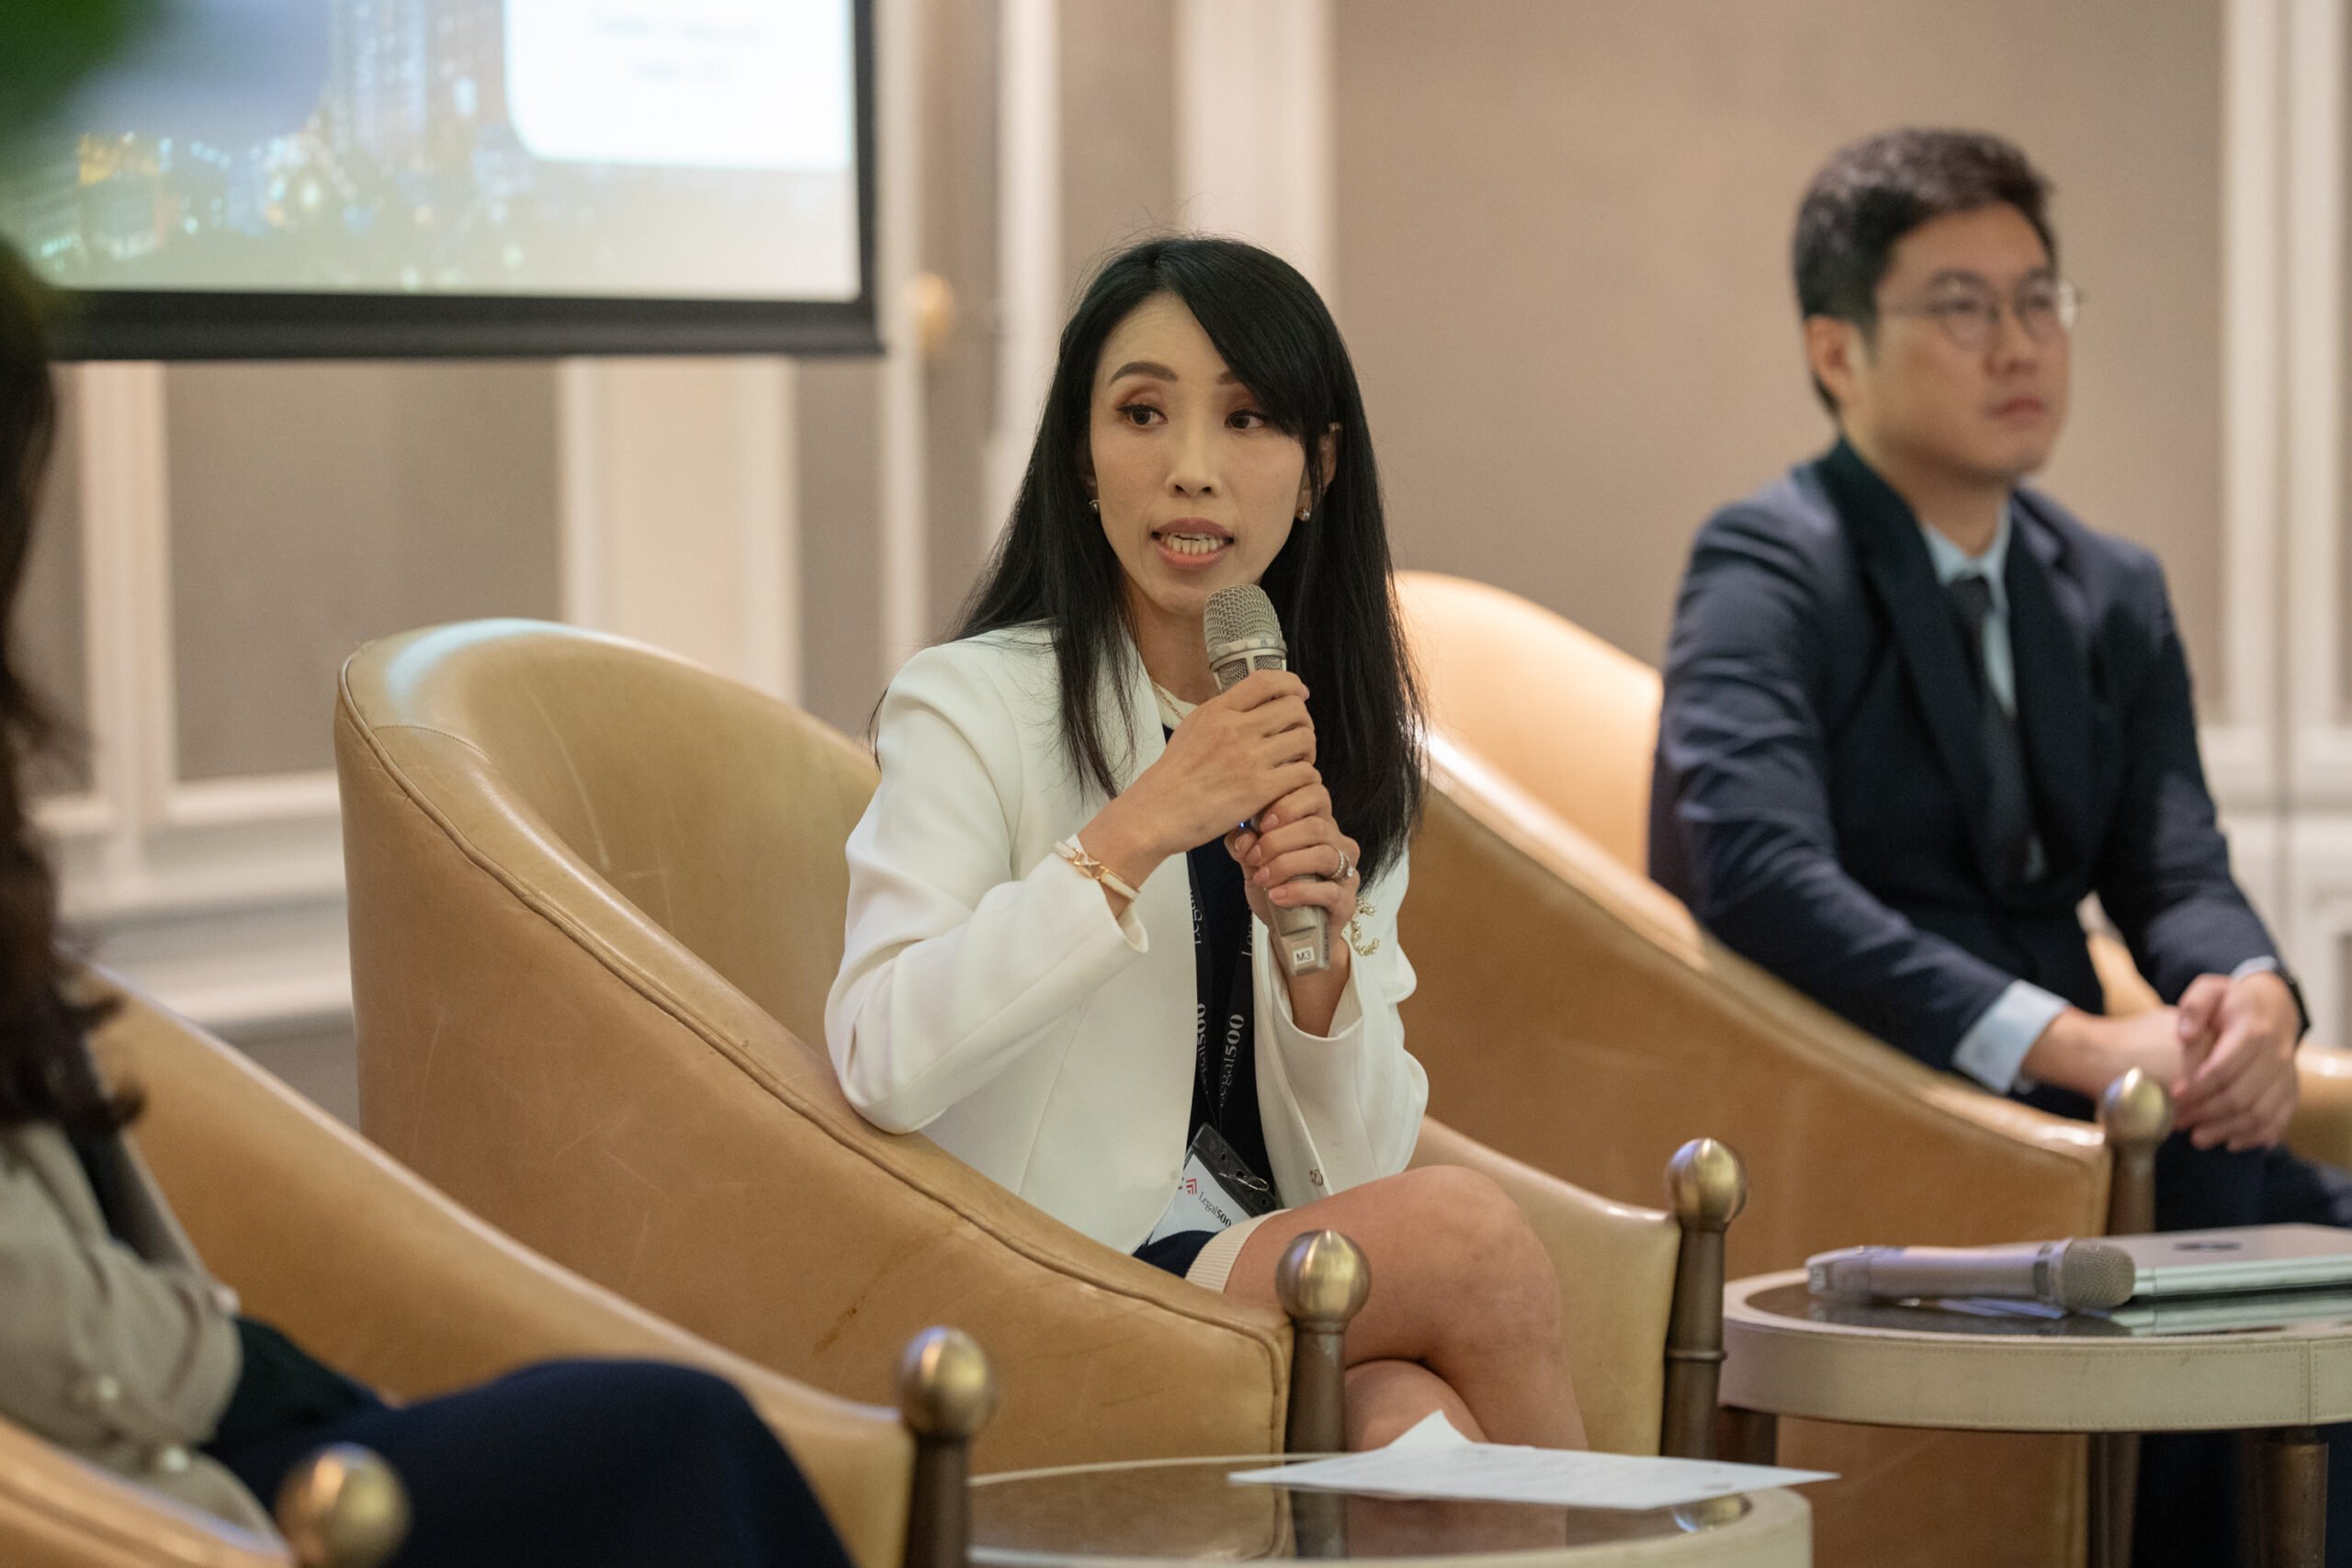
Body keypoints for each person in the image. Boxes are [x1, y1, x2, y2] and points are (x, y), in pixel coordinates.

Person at [0, 243, 853, 1567]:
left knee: (679, 1437)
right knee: (674, 1441)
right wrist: (259, 1372)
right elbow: (33, 1316)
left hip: (192, 1440)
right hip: (141, 1493)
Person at [1649, 128, 2347, 1565]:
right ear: (1837, 350)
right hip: (1897, 1108)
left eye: (2040, 299)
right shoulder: (1768, 563)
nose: (2019, 342)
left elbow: (2176, 871)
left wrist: (2257, 998)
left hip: (2118, 1128)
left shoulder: (2108, 586)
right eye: (1962, 307)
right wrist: (2074, 1044)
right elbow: (1756, 873)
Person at [828, 235, 1581, 1450]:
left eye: (1246, 420)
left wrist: (1318, 981)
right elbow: (883, 1057)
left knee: (1416, 1434)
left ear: (1317, 468)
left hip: (1248, 1262)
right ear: (1082, 458)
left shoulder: (1328, 738)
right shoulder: (969, 704)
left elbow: (1354, 1177)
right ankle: (1649, 1537)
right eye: (1142, 414)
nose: (1191, 471)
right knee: (1470, 1237)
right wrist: (1134, 831)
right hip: (1046, 1269)